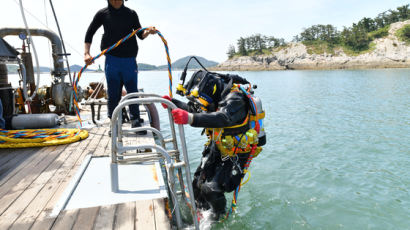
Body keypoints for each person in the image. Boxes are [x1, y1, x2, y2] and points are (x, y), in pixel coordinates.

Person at [162, 69, 265, 220]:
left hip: (237, 152)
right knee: (197, 183)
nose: (204, 104)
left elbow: (223, 117)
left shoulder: (235, 98)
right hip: (218, 145)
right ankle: (199, 211)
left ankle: (218, 218)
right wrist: (173, 103)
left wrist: (190, 119)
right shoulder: (216, 97)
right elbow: (197, 109)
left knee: (211, 189)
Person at [84, 0, 156, 133]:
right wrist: (86, 53)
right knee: (113, 93)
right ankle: (114, 123)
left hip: (129, 60)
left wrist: (148, 31)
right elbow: (90, 32)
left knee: (132, 92)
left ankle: (136, 122)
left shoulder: (131, 14)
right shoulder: (102, 14)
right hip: (112, 60)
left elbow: (140, 34)